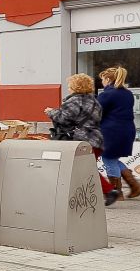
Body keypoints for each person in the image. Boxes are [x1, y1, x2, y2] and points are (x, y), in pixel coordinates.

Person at [47, 73, 116, 206]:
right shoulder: (94, 101)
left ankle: (108, 191)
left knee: (85, 169)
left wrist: (51, 112)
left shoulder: (75, 101)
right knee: (84, 169)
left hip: (81, 140)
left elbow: (64, 118)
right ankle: (94, 193)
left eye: (70, 85)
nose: (68, 87)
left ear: (75, 86)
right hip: (96, 140)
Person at [97, 67, 140, 199]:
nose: (102, 83)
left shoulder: (107, 94)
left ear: (108, 79)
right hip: (127, 130)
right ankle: (135, 186)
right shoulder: (127, 93)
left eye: (103, 80)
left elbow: (97, 113)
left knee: (108, 159)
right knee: (113, 159)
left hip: (111, 131)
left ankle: (116, 193)